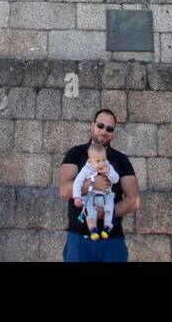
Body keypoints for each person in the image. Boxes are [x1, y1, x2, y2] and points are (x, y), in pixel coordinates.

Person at [58, 109, 139, 262]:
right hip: (79, 238)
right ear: (92, 125)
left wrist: (108, 213)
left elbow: (133, 199)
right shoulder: (76, 153)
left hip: (112, 239)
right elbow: (64, 189)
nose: (104, 131)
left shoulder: (120, 159)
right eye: (100, 126)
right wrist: (92, 185)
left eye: (109, 129)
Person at [71, 143, 119, 239]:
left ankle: (107, 227)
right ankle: (93, 229)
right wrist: (77, 196)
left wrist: (109, 172)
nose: (101, 164)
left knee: (110, 208)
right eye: (97, 161)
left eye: (104, 160)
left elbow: (116, 179)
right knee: (90, 211)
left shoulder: (108, 167)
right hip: (91, 196)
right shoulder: (86, 170)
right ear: (90, 161)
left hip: (106, 195)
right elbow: (77, 182)